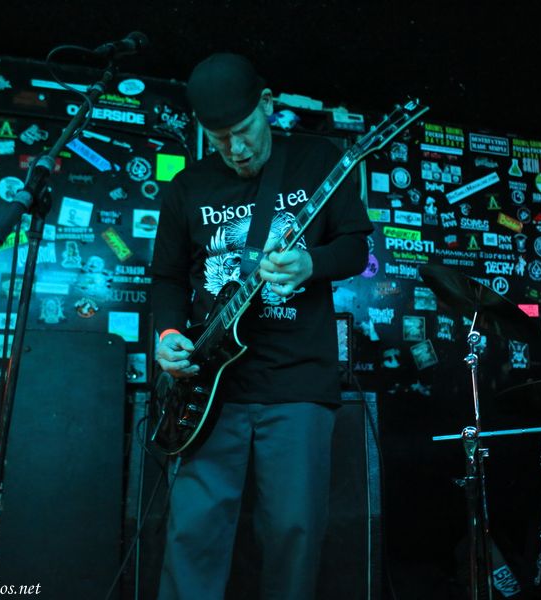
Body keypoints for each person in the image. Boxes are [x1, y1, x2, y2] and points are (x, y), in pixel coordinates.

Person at [150, 52, 373, 600]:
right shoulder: (186, 186)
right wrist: (168, 335)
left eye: (244, 131)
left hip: (297, 382)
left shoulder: (319, 160)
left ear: (267, 105)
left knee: (294, 533)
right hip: (208, 388)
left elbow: (354, 246)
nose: (238, 149)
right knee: (193, 533)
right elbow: (167, 277)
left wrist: (311, 263)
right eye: (220, 138)